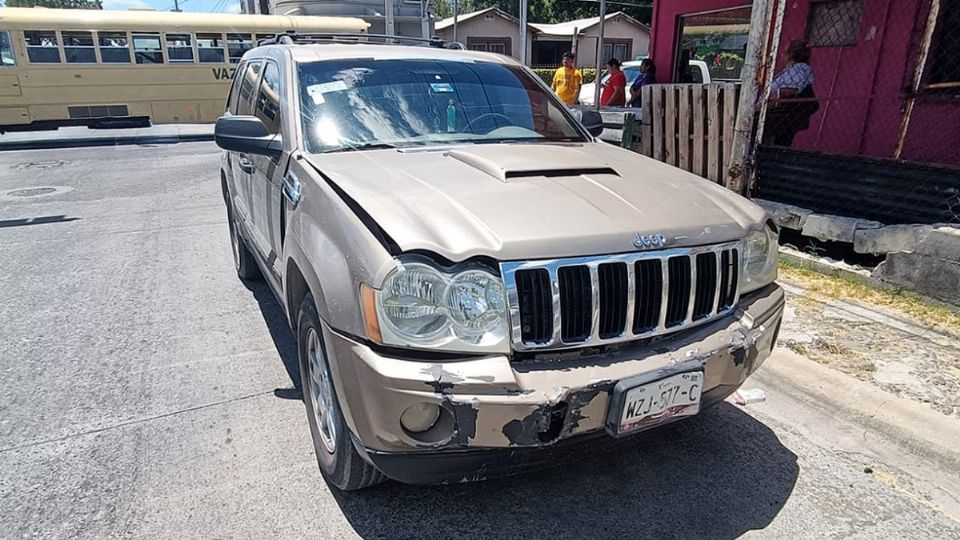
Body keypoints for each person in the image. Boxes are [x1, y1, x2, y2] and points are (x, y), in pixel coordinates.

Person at [763, 40, 819, 147]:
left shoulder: (798, 69)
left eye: (784, 51)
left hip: (779, 112)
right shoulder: (790, 70)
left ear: (789, 55)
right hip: (778, 111)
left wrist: (763, 105)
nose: (782, 54)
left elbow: (789, 91)